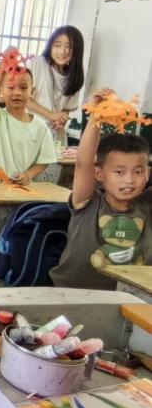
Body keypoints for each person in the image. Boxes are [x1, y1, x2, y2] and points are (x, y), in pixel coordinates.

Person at [0, 61, 58, 276]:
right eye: (10, 87)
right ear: (1, 93)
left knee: (4, 246)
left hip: (13, 193)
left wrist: (29, 174)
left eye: (23, 87)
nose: (17, 92)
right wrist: (2, 72)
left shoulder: (40, 127)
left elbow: (44, 160)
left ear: (32, 92)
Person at [49, 90, 151, 288]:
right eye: (119, 172)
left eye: (138, 172)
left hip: (133, 298)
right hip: (74, 295)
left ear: (147, 174)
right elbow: (84, 162)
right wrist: (96, 115)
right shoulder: (88, 202)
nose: (129, 180)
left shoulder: (147, 205)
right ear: (99, 174)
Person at [27, 25, 85, 145]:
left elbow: (66, 109)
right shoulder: (39, 63)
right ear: (50, 46)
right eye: (57, 45)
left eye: (69, 47)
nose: (62, 51)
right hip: (31, 131)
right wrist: (51, 115)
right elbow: (24, 99)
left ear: (76, 50)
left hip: (55, 136)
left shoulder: (74, 76)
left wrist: (61, 120)